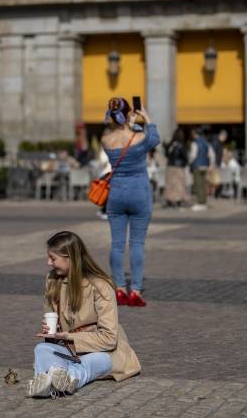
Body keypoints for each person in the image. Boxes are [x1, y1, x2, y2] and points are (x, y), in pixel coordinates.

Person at [27, 231, 141, 398]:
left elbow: (109, 338)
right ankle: (55, 379)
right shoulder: (52, 280)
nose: (48, 263)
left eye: (53, 258)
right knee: (42, 349)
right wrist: (50, 331)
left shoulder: (100, 286)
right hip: (67, 348)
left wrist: (70, 337)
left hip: (103, 352)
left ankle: (59, 381)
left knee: (89, 364)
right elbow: (49, 315)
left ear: (70, 258)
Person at [100, 97, 160, 307]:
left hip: (116, 194)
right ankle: (134, 290)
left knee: (116, 244)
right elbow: (155, 139)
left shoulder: (105, 139)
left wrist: (128, 121)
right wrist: (144, 117)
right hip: (139, 193)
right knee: (137, 244)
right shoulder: (138, 136)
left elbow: (116, 131)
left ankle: (118, 289)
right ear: (128, 114)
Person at [188, 128, 214, 211]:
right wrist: (211, 164)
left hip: (197, 165)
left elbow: (193, 155)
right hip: (205, 166)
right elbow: (212, 154)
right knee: (204, 184)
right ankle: (204, 201)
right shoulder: (206, 143)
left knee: (198, 184)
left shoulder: (194, 143)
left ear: (195, 134)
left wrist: (190, 162)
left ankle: (200, 202)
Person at [163, 128, 188, 208]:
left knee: (170, 184)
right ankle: (178, 200)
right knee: (179, 184)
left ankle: (169, 199)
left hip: (170, 166)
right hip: (179, 167)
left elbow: (167, 155)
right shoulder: (181, 145)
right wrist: (184, 164)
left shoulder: (171, 144)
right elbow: (185, 156)